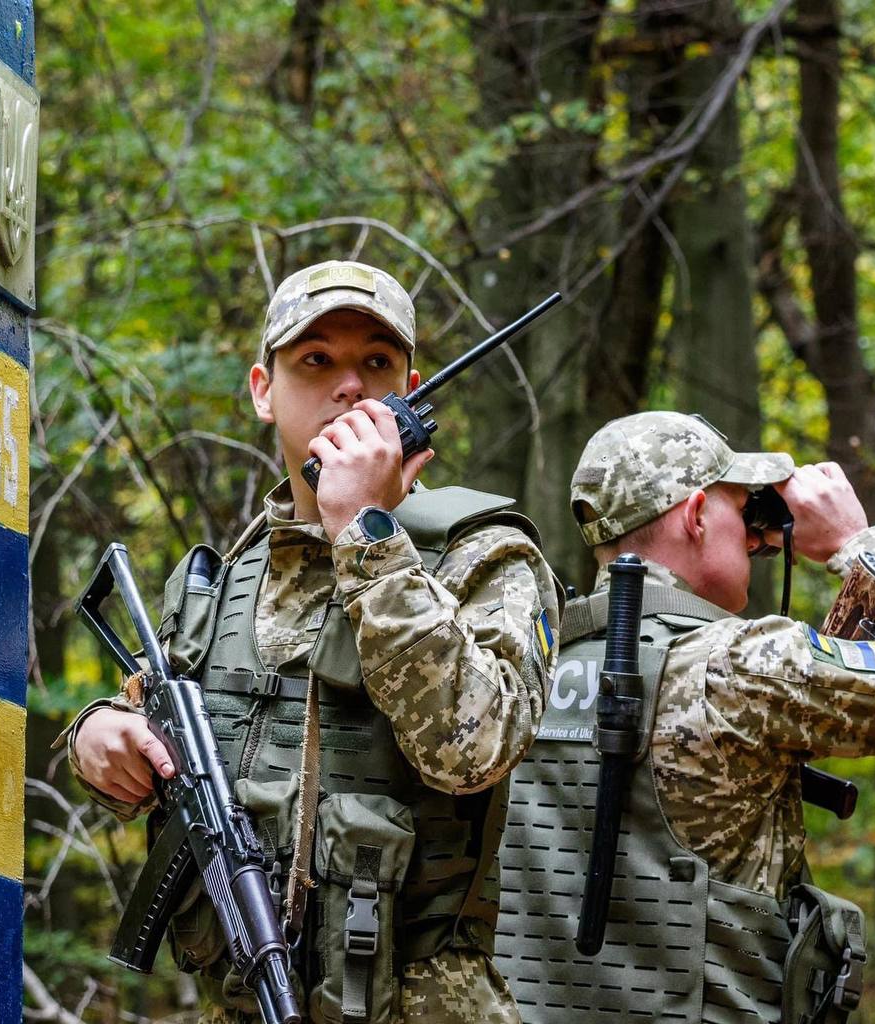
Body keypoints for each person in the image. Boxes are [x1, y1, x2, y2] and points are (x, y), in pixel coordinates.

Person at [58, 260, 561, 1023]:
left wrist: (366, 533)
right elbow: (156, 727)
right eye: (316, 360)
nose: (349, 386)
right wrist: (98, 734)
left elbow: (476, 748)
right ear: (265, 388)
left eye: (377, 364)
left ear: (411, 389)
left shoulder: (484, 556)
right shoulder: (227, 580)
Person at [494, 410, 875, 1024]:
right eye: (743, 516)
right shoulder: (742, 666)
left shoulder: (523, 660)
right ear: (697, 515)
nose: (757, 540)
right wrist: (857, 547)